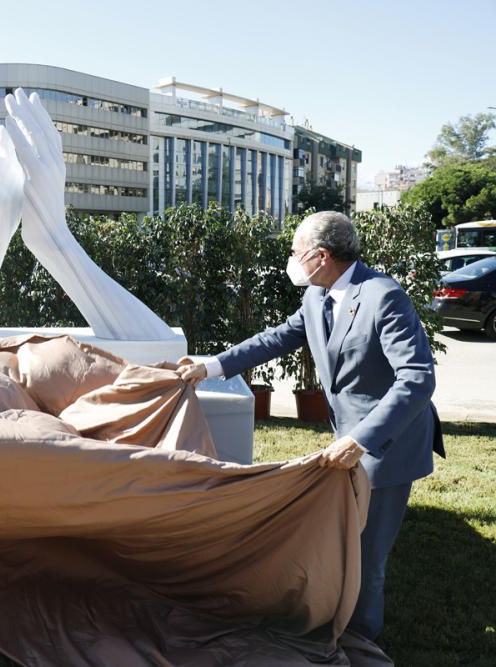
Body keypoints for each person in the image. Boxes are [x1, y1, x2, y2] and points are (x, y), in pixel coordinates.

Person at [176, 210, 444, 641]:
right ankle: (336, 623)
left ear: (320, 256)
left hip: (385, 444)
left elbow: (417, 377)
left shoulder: (382, 296)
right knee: (342, 542)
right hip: (350, 437)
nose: (291, 258)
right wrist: (209, 367)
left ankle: (360, 645)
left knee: (366, 555)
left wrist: (361, 440)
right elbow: (278, 337)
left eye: (296, 251)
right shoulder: (317, 295)